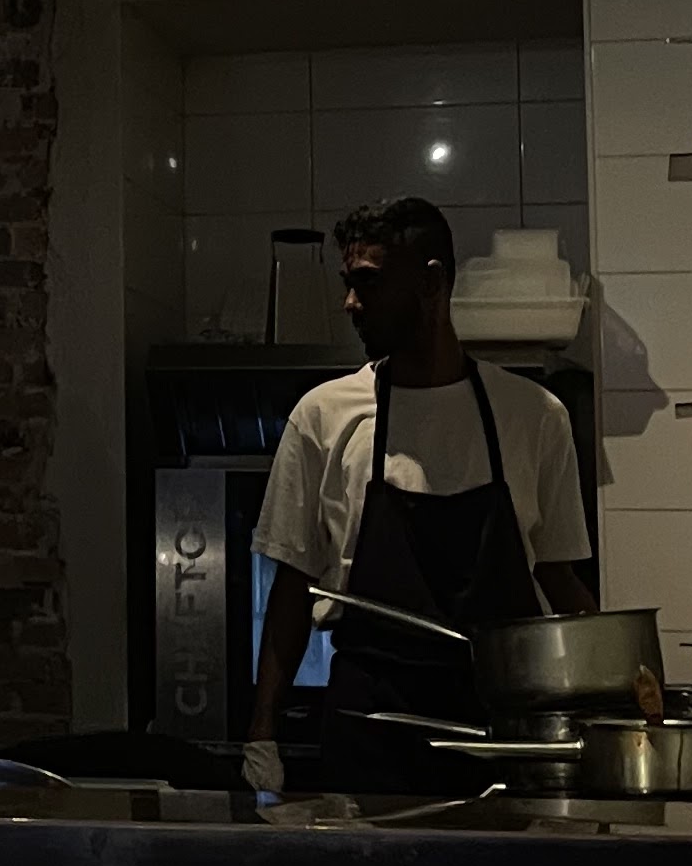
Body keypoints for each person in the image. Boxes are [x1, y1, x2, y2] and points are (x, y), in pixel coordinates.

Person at [244, 196, 595, 798]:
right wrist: (262, 736)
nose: (349, 302)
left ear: (432, 283)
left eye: (368, 283)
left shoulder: (534, 416)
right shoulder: (323, 416)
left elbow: (557, 577)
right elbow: (294, 585)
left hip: (499, 727)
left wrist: (617, 687)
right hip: (369, 725)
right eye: (348, 283)